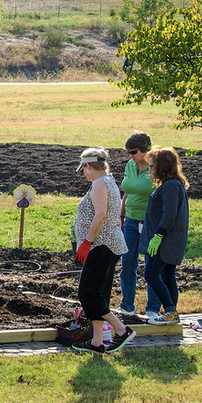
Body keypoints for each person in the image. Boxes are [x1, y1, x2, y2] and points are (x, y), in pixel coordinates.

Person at [71, 148, 136, 354]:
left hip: (101, 245)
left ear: (88, 166)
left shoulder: (99, 183)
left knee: (88, 293)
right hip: (108, 245)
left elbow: (99, 215)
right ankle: (97, 342)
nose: (84, 175)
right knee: (99, 294)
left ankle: (121, 330)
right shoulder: (108, 181)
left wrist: (87, 242)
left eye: (84, 170)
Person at [141, 148, 190, 325]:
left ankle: (170, 310)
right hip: (170, 241)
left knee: (151, 274)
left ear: (162, 166)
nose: (150, 170)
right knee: (168, 276)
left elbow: (169, 214)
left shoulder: (170, 186)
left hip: (165, 242)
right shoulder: (173, 184)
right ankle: (172, 314)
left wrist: (158, 236)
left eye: (152, 166)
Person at [118, 131, 161, 318]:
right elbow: (127, 191)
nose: (130, 156)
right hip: (131, 221)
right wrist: (121, 215)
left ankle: (153, 308)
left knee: (151, 265)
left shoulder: (156, 168)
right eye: (128, 152)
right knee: (127, 263)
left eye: (134, 152)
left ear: (146, 150)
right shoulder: (130, 165)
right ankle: (127, 305)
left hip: (150, 222)